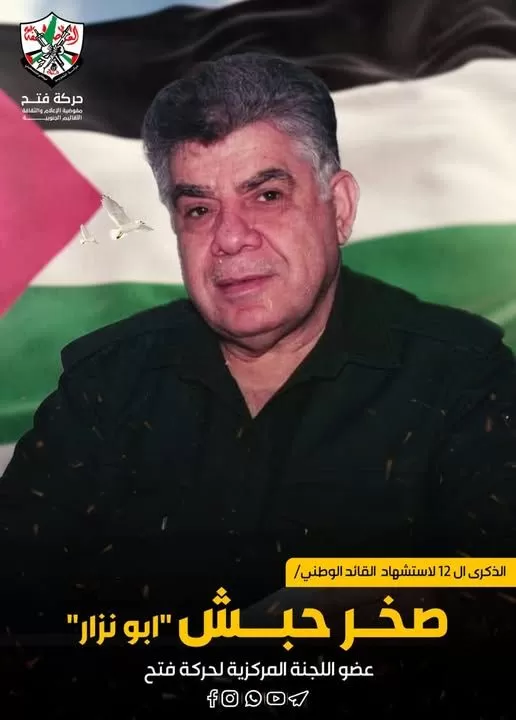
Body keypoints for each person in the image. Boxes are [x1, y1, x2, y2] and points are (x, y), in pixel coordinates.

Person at [1, 52, 516, 714]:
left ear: (339, 207)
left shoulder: (464, 379)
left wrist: (339, 600)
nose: (230, 239)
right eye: (198, 209)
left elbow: (498, 587)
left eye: (266, 196)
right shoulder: (105, 385)